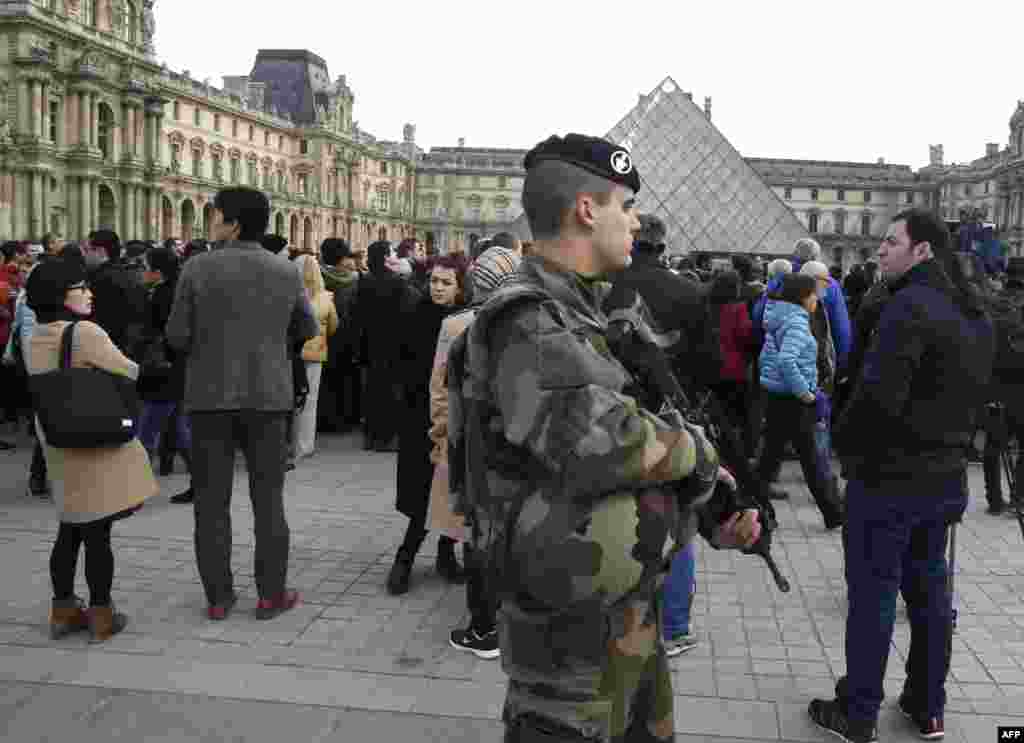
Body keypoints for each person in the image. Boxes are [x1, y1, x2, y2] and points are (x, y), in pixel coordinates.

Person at [448, 133, 760, 743]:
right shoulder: (530, 320)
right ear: (587, 211)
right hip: (569, 633)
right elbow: (599, 443)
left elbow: (622, 463)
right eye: (626, 206)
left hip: (620, 611)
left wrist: (706, 506)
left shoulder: (583, 315)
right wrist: (697, 452)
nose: (636, 222)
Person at [812, 210, 995, 743]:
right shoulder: (973, 312)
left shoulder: (907, 307)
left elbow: (876, 399)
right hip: (945, 478)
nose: (878, 250)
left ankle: (859, 711)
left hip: (889, 477)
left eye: (891, 242)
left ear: (923, 251)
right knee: (930, 593)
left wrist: (843, 447)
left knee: (873, 595)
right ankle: (926, 706)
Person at [166, 187, 318, 622]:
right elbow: (305, 327)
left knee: (211, 503)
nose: (211, 222)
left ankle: (219, 596)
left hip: (209, 398)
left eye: (215, 216)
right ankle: (271, 594)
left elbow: (177, 336)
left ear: (232, 223)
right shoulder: (286, 271)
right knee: (268, 500)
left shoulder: (197, 268)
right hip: (269, 397)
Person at [25, 258, 158, 642]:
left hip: (58, 440)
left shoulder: (35, 334)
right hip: (93, 440)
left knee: (69, 527)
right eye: (80, 288)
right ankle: (102, 613)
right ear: (61, 295)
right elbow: (128, 371)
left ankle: (63, 610)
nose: (89, 293)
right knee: (98, 532)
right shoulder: (84, 332)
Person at [387, 254, 468, 595]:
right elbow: (398, 362)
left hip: (456, 416)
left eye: (445, 282)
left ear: (460, 287)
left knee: (454, 489)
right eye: (434, 281)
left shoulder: (465, 322)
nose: (437, 287)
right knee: (422, 492)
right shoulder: (414, 315)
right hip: (419, 416)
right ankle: (405, 557)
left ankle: (446, 553)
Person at [756, 273, 844, 530]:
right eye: (814, 294)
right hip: (794, 400)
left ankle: (756, 507)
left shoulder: (778, 315)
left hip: (776, 397)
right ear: (803, 297)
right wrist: (805, 392)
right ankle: (833, 512)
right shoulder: (796, 322)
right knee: (810, 458)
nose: (817, 299)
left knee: (769, 460)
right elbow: (786, 361)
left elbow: (768, 357)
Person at [136, 246, 194, 504]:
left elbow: (159, 331)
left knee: (147, 431)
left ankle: (132, 489)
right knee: (180, 429)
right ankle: (203, 482)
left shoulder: (162, 295)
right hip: (178, 368)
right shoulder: (179, 290)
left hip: (162, 371)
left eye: (145, 267)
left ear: (157, 272)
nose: (142, 272)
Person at [292, 253, 338, 460]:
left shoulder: (291, 294)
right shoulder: (326, 297)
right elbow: (334, 324)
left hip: (292, 353)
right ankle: (306, 444)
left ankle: (290, 443)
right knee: (310, 401)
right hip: (316, 352)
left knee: (290, 400)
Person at [318, 238, 364, 434]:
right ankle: (344, 419)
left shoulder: (316, 275)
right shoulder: (356, 280)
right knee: (345, 377)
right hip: (347, 334)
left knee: (326, 379)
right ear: (342, 258)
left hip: (322, 334)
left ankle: (325, 419)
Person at [86, 230, 149, 360]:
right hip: (130, 346)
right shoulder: (130, 273)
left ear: (101, 251)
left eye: (89, 250)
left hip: (109, 346)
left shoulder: (101, 278)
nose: (86, 254)